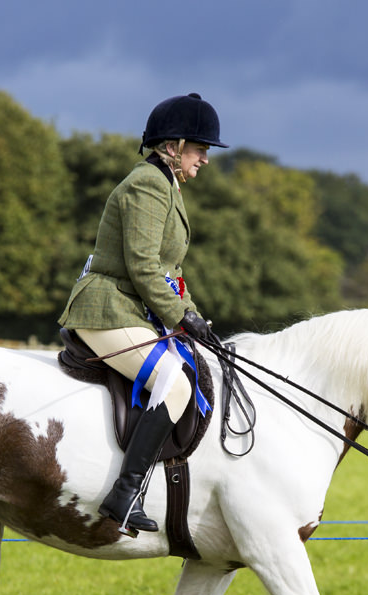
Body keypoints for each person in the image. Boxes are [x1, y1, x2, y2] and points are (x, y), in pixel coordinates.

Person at [58, 93, 227, 536]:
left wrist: (194, 317)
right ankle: (124, 493)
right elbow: (143, 267)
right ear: (173, 145)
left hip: (130, 308)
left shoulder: (167, 186)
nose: (205, 159)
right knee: (173, 384)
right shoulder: (147, 185)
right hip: (105, 309)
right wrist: (180, 317)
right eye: (200, 149)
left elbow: (170, 272)